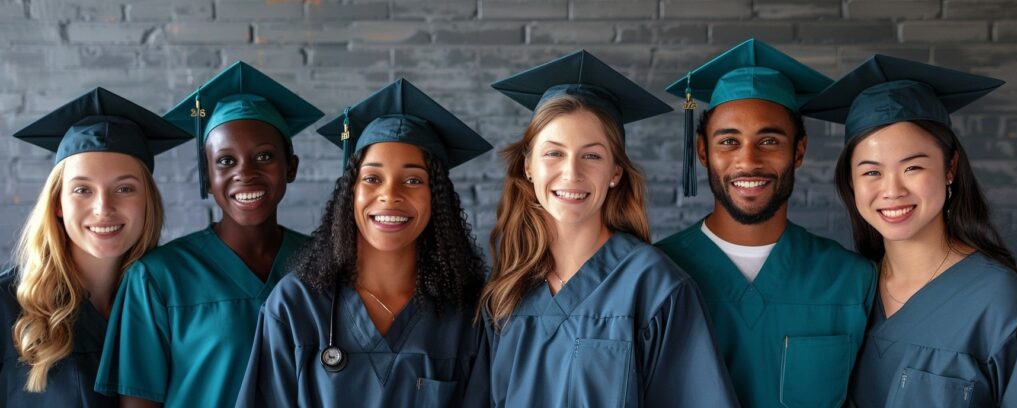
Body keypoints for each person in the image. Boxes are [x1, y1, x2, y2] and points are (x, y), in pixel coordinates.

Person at [466, 50, 738, 407]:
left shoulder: (655, 287)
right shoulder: (505, 293)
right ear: (528, 166)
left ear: (615, 173)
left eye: (591, 155)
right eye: (554, 153)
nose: (571, 173)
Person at [234, 79, 492, 407]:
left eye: (413, 180)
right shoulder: (297, 305)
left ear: (436, 197)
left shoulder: (466, 313)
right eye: (372, 178)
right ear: (350, 193)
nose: (389, 195)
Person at [654, 39, 876, 408]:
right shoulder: (659, 274)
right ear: (703, 152)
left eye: (769, 140)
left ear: (799, 151)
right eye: (728, 141)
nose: (748, 161)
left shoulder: (851, 280)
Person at [94, 62, 324, 408]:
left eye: (264, 156)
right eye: (226, 161)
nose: (245, 173)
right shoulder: (157, 278)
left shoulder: (323, 264)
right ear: (206, 175)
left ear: (291, 167)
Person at [803, 54, 1017, 407]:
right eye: (871, 172)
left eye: (913, 167)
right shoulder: (846, 290)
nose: (892, 191)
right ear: (851, 181)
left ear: (950, 167)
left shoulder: (1002, 304)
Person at [1, 88, 190, 405]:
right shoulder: (8, 307)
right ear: (58, 204)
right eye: (82, 190)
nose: (104, 207)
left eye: (124, 188)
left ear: (148, 202)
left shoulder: (173, 300)